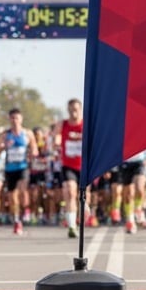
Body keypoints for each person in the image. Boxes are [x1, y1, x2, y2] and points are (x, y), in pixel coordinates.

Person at [0, 108, 38, 235]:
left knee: (22, 190)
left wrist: (32, 153)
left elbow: (35, 150)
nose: (15, 121)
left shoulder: (27, 134)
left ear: (21, 119)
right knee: (12, 197)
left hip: (23, 167)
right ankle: (17, 220)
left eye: (17, 118)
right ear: (9, 119)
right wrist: (3, 146)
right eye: (12, 118)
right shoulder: (5, 134)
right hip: (10, 169)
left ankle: (25, 211)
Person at [57, 98, 86, 237]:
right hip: (68, 165)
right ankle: (72, 226)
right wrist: (56, 143)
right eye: (71, 109)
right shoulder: (62, 124)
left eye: (76, 109)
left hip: (84, 165)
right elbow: (56, 136)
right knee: (70, 192)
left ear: (80, 109)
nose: (73, 112)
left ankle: (84, 214)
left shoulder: (85, 124)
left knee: (84, 196)